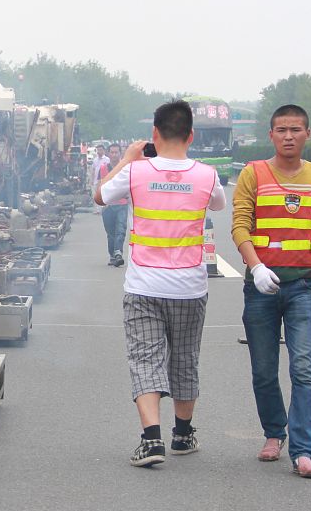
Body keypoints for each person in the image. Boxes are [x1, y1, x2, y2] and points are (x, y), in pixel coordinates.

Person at [95, 101, 226, 467]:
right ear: (191, 135)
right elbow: (217, 205)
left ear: (154, 133)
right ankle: (183, 435)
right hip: (190, 286)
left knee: (145, 359)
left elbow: (100, 195)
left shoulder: (136, 172)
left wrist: (126, 158)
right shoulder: (207, 175)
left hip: (144, 285)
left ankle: (151, 440)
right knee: (184, 359)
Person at [232, 104, 311, 479]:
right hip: (261, 287)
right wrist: (256, 266)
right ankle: (274, 433)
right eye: (281, 130)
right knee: (263, 370)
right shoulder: (253, 174)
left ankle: (303, 451)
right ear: (271, 135)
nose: (288, 136)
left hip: (304, 287)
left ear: (308, 134)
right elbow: (240, 225)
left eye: (296, 129)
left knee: (305, 369)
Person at [99, 143, 130, 266]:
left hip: (122, 204)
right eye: (112, 152)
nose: (114, 155)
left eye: (116, 152)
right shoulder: (103, 168)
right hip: (108, 205)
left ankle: (118, 253)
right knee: (110, 232)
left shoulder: (125, 168)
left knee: (121, 230)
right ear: (108, 153)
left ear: (120, 154)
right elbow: (101, 184)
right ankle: (112, 255)